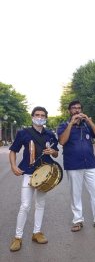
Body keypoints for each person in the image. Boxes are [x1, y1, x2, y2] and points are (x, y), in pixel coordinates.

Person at [9, 106, 59, 252]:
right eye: (37, 115)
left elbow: (56, 153)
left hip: (45, 174)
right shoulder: (23, 133)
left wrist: (53, 151)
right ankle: (17, 237)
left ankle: (36, 233)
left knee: (40, 204)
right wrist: (13, 166)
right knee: (25, 205)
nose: (40, 117)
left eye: (43, 115)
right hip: (29, 172)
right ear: (32, 116)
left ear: (46, 118)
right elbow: (13, 151)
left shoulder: (50, 134)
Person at [57, 100, 95, 232]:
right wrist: (71, 124)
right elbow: (62, 141)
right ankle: (77, 221)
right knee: (76, 194)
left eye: (79, 108)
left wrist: (89, 121)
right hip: (73, 164)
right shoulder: (64, 125)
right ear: (69, 111)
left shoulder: (87, 126)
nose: (77, 110)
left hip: (90, 164)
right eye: (74, 108)